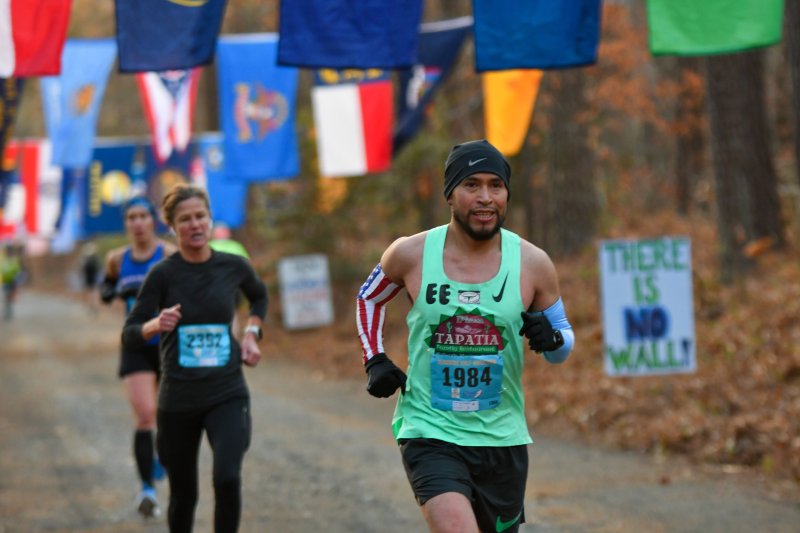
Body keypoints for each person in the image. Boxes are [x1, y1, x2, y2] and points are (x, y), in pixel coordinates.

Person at [355, 139, 575, 533]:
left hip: (502, 437)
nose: (485, 197)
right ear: (450, 195)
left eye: (496, 185)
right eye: (471, 185)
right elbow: (368, 299)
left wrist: (554, 340)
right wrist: (375, 357)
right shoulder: (410, 253)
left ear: (507, 193)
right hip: (430, 430)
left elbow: (562, 343)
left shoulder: (533, 263)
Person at [122, 184, 267, 533]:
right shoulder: (163, 273)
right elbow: (130, 331)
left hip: (227, 392)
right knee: (184, 495)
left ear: (210, 219)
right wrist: (156, 324)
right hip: (179, 398)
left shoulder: (234, 266)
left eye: (200, 216)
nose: (195, 224)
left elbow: (259, 297)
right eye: (185, 219)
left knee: (228, 478)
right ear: (172, 226)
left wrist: (251, 333)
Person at [100, 196, 176, 518]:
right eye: (131, 217)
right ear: (126, 223)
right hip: (134, 344)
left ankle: (161, 458)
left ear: (153, 220)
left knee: (169, 415)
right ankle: (147, 490)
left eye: (143, 215)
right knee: (145, 414)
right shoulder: (117, 259)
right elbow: (105, 292)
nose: (137, 222)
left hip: (169, 345)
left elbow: (184, 292)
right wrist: (119, 292)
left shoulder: (169, 255)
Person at [1, 244, 25, 321]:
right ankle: (7, 311)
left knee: (10, 297)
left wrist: (17, 281)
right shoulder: (5, 261)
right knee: (7, 297)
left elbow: (18, 271)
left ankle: (10, 311)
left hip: (12, 282)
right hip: (6, 282)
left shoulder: (14, 261)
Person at [80, 242, 101, 315]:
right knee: (94, 293)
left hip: (88, 279)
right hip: (94, 279)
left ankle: (91, 306)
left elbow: (82, 269)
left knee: (90, 293)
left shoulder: (86, 259)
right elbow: (99, 268)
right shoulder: (95, 259)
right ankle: (94, 306)